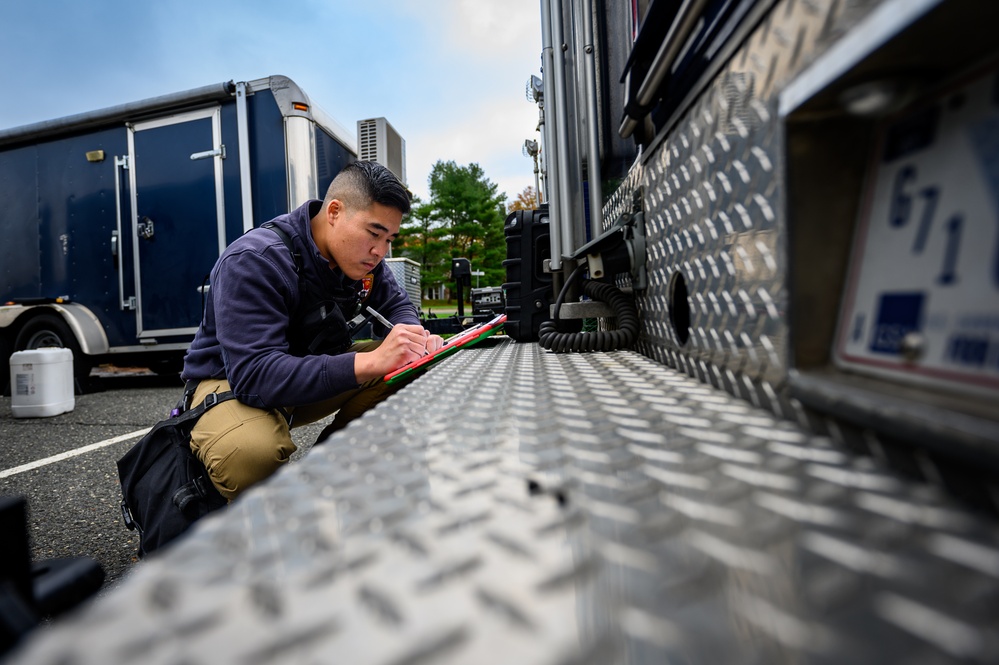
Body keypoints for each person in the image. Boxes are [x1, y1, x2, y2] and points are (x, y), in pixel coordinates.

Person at [180, 160, 443, 501]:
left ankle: (332, 469)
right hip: (231, 381)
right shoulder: (255, 259)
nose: (381, 251)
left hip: (303, 371)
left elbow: (398, 305)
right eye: (374, 233)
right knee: (250, 454)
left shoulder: (361, 261)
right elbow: (255, 375)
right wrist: (370, 362)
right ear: (335, 211)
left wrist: (413, 337)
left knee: (411, 365)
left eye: (390, 238)